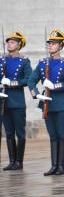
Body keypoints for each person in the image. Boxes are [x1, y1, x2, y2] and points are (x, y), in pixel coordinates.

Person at [28, 29, 64, 175]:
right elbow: (31, 80)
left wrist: (54, 86)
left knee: (62, 135)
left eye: (54, 44)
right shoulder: (42, 63)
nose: (50, 46)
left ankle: (61, 166)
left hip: (60, 104)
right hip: (47, 104)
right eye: (49, 43)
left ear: (60, 46)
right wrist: (36, 94)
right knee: (53, 136)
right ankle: (54, 165)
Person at [0, 32, 32, 170]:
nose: (9, 44)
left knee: (20, 133)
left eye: (12, 42)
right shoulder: (2, 60)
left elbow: (28, 79)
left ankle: (19, 161)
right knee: (8, 133)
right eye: (8, 42)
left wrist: (12, 83)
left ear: (19, 45)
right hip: (4, 102)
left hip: (17, 102)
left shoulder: (24, 61)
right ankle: (12, 161)